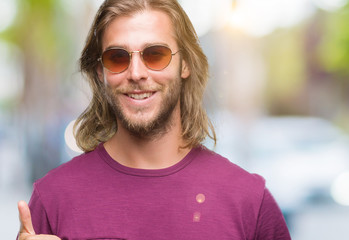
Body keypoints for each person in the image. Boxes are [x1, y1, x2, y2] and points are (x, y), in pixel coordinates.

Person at [17, 0, 291, 239]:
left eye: (155, 54)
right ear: (101, 72)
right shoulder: (53, 199)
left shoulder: (249, 201)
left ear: (185, 64)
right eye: (117, 57)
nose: (136, 73)